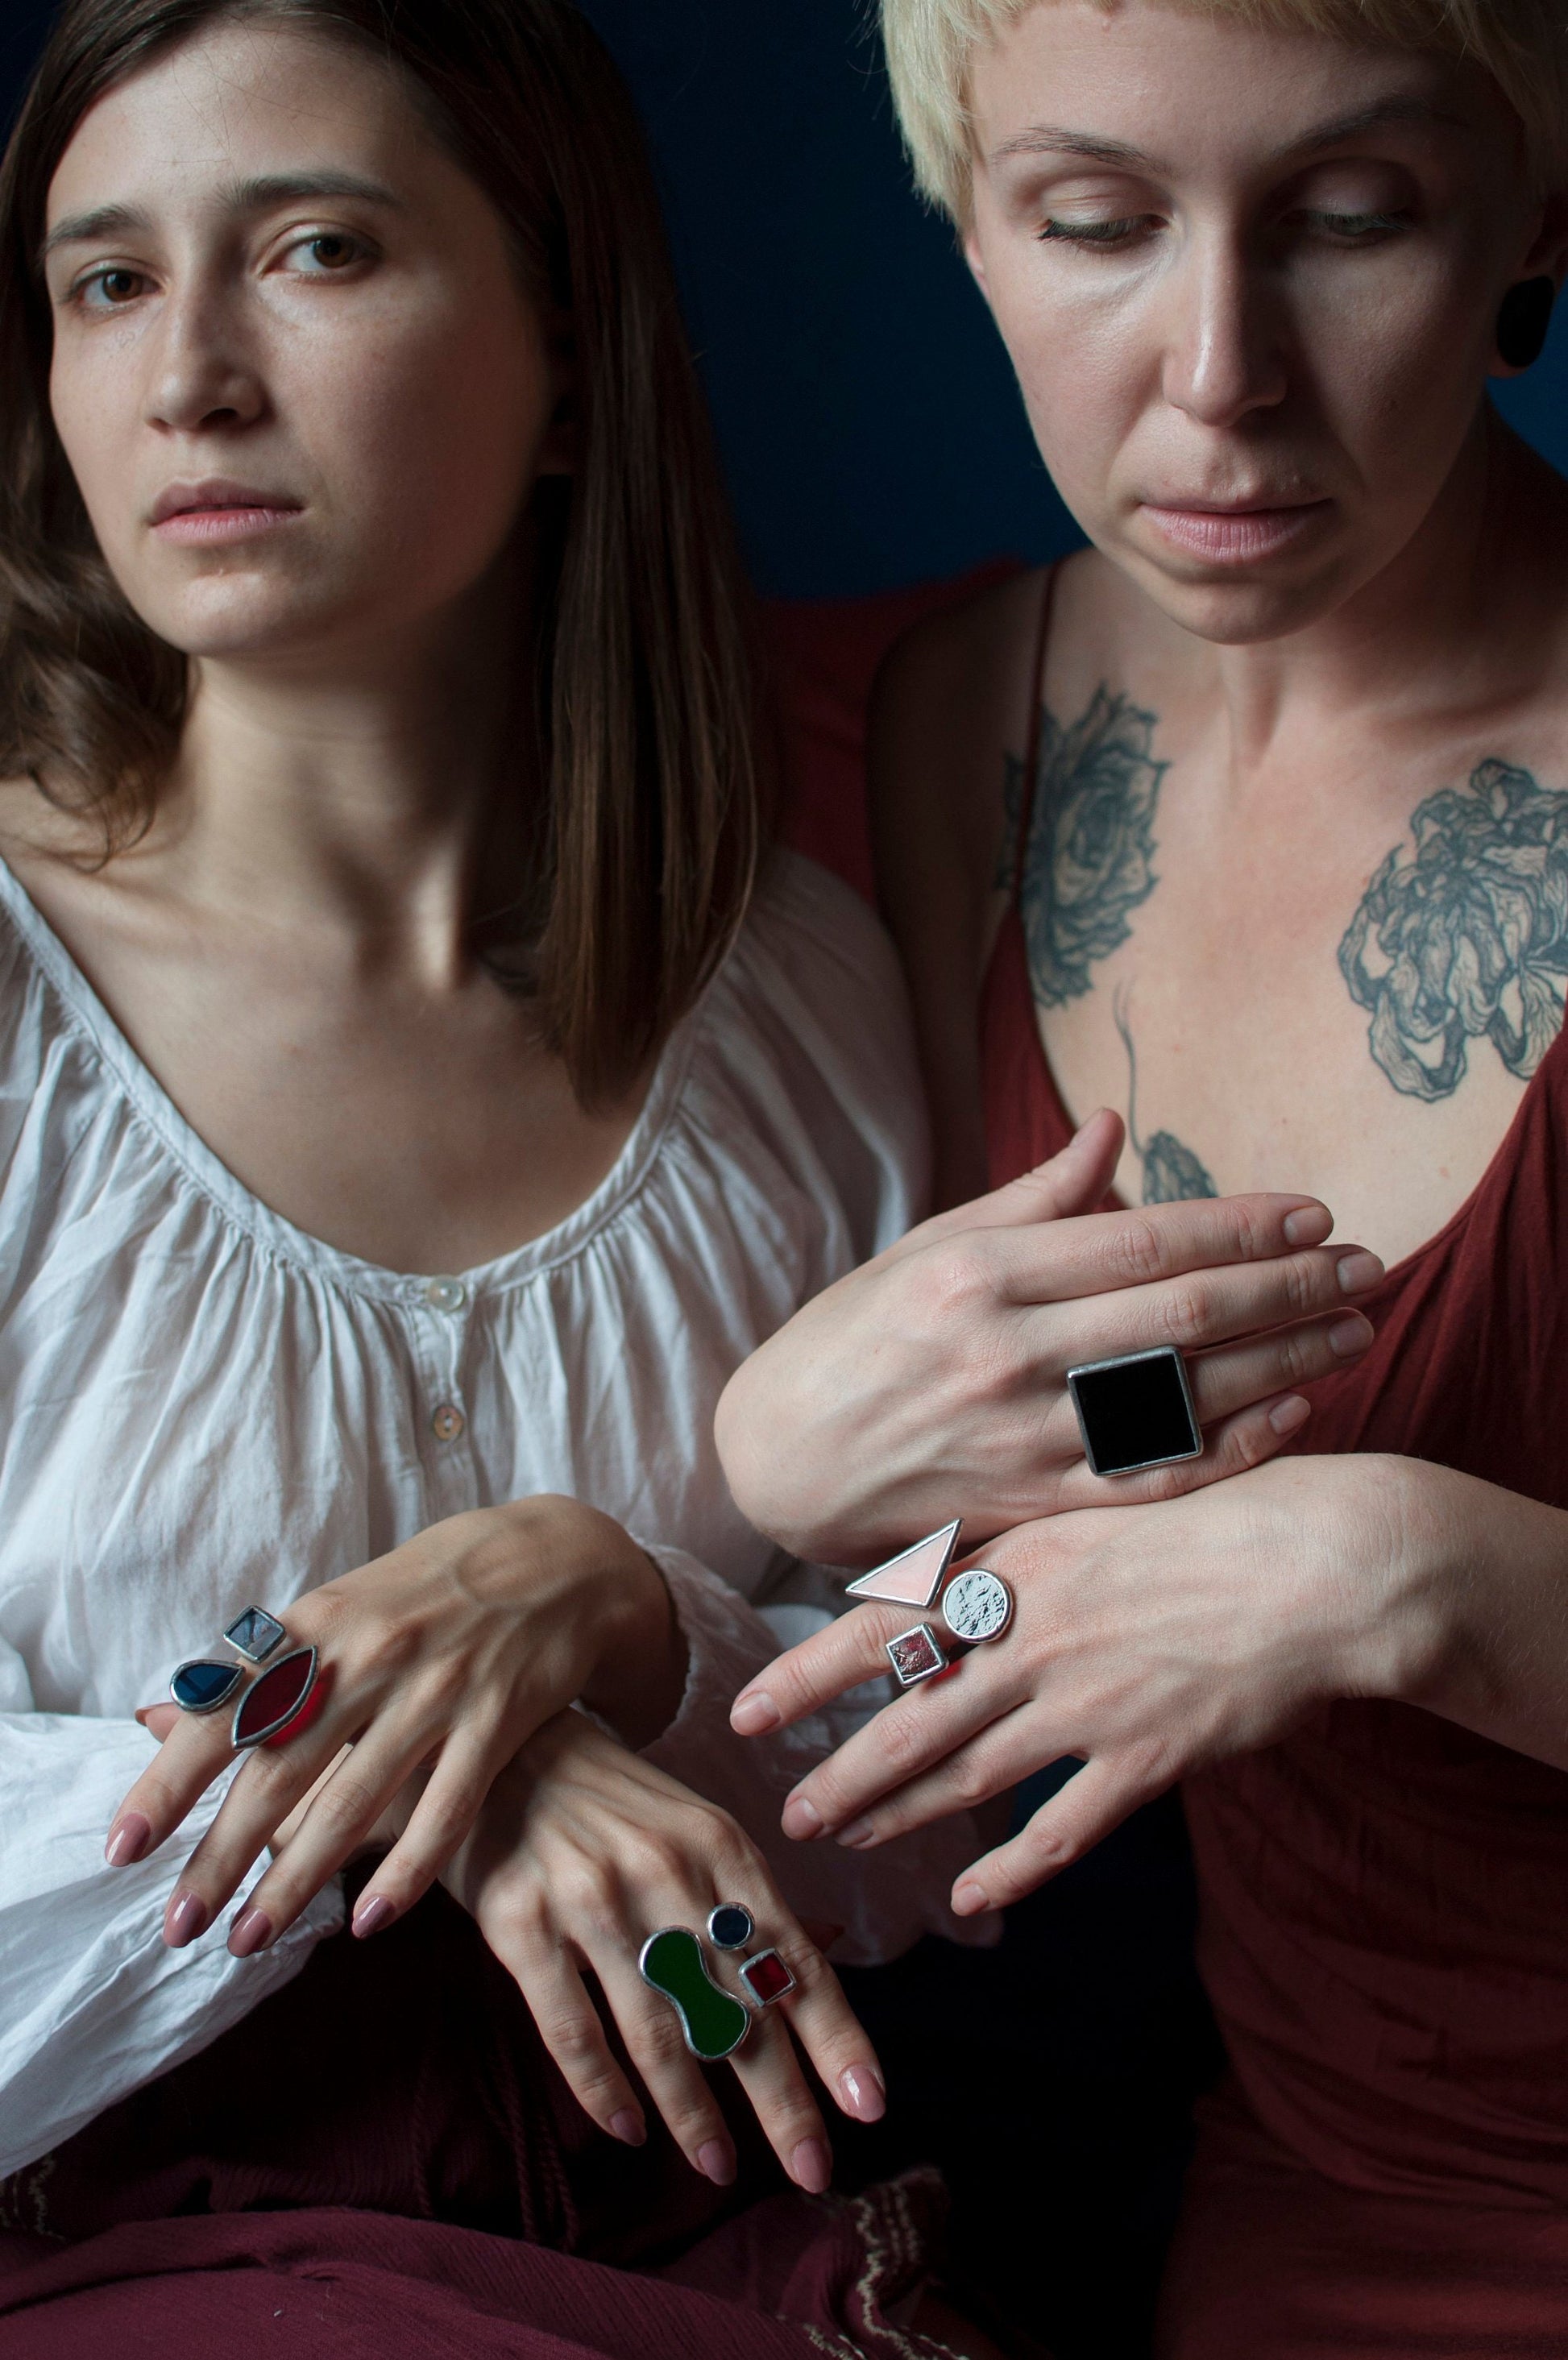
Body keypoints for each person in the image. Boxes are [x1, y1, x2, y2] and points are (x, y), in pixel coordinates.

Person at [716, 0, 1568, 2349]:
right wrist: (788, 1468)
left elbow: (1313, 1540)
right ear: (967, 223)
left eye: (1352, 218)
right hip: (1310, 2187)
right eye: (1096, 221)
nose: (1217, 374)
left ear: (1540, 209)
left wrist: (1421, 1571)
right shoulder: (942, 729)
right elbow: (1104, 1486)